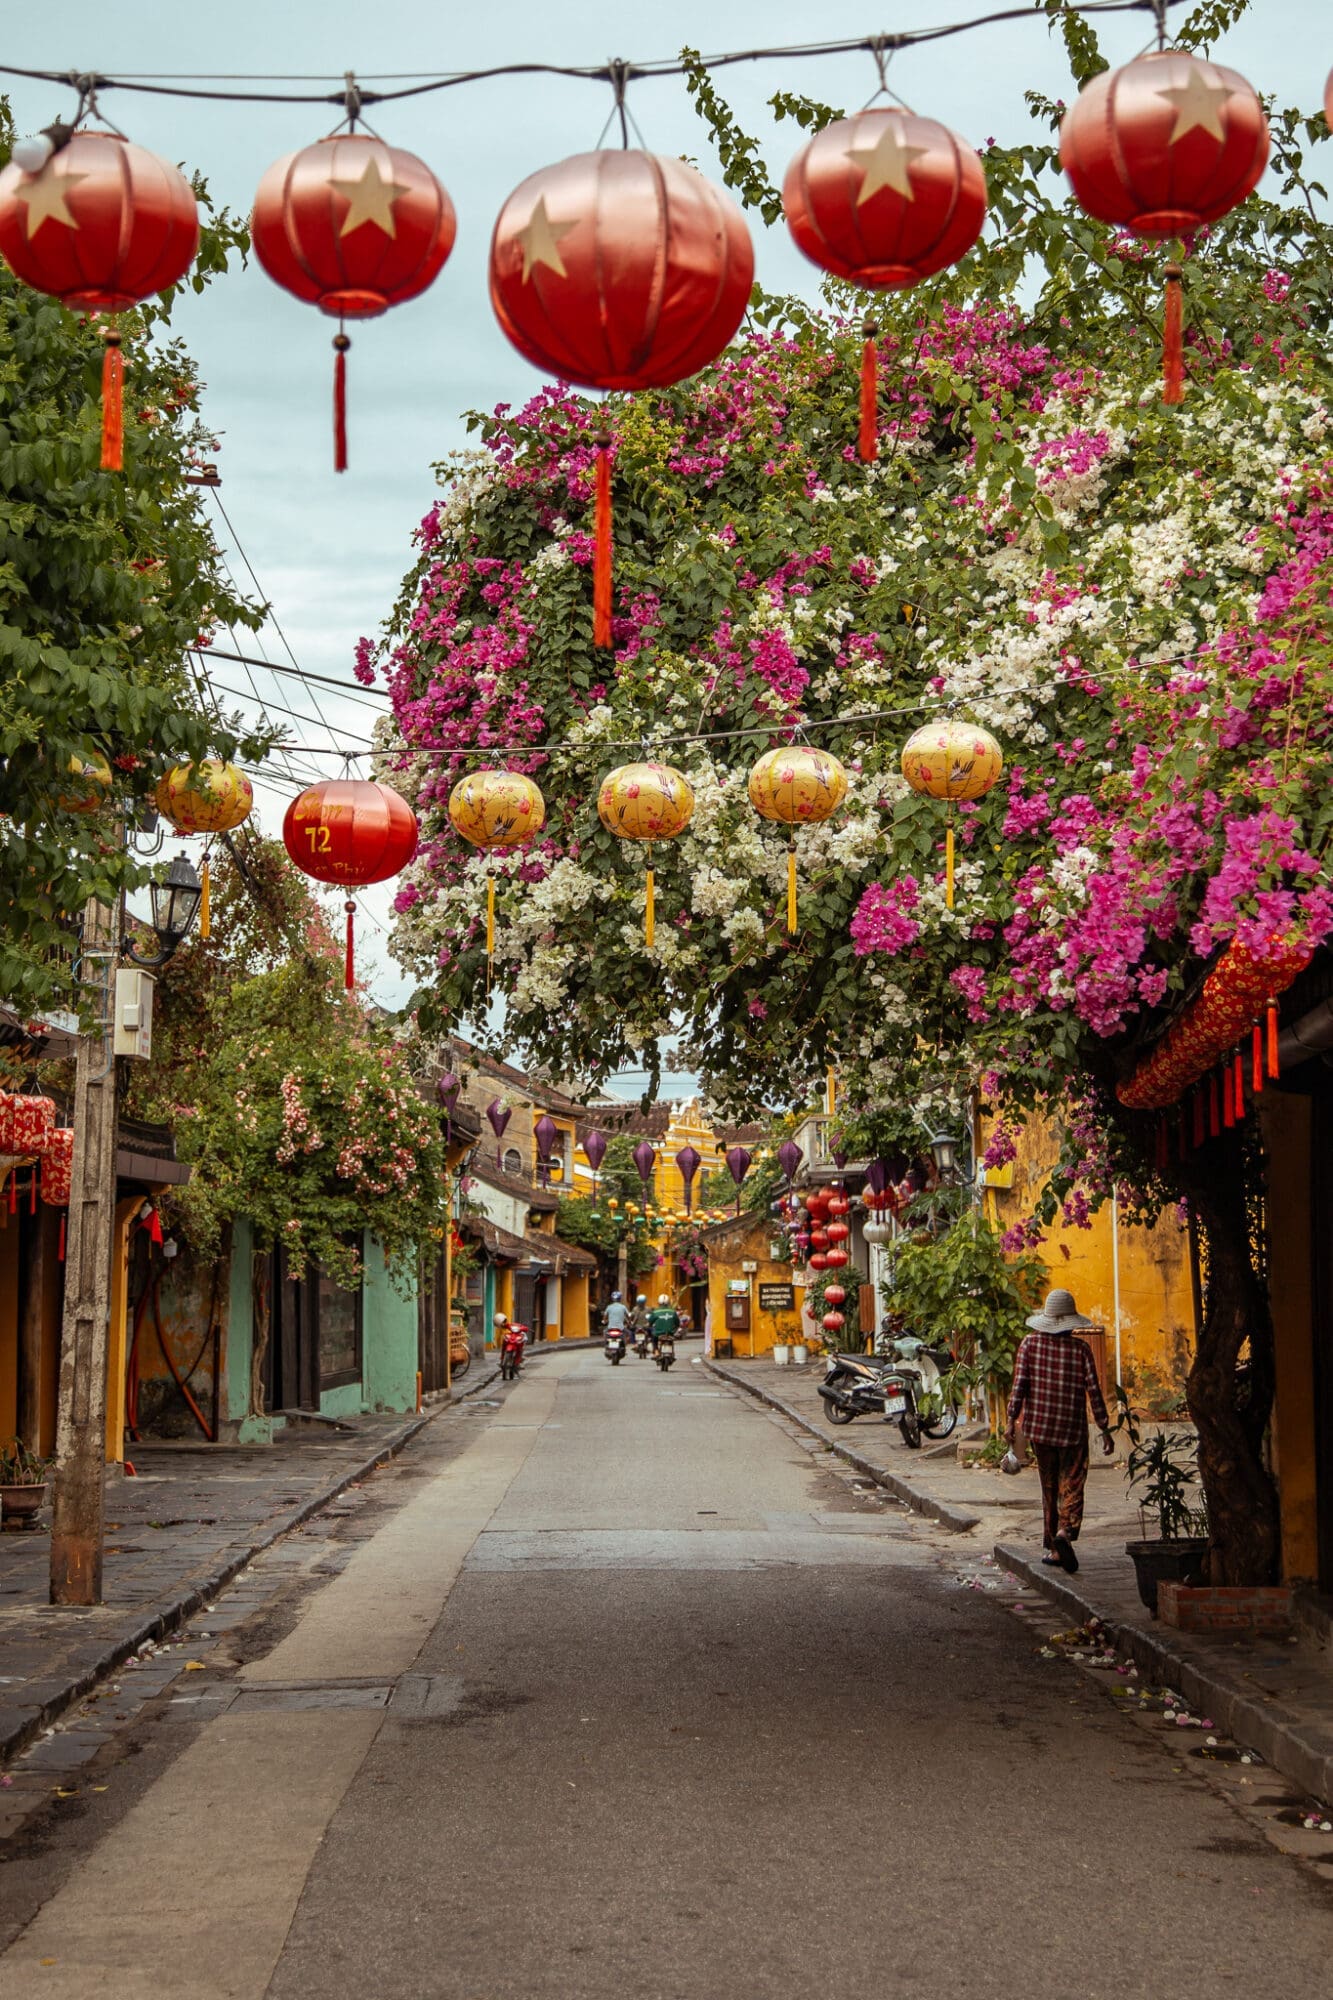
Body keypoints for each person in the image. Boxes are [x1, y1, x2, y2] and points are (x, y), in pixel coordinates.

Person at [1005, 1288, 1114, 1575]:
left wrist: (1010, 1420)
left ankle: (1053, 1548)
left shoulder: (1029, 1345)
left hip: (1040, 1431)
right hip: (1072, 1431)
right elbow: (1094, 1391)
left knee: (1049, 1486)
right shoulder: (1081, 1350)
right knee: (1073, 1483)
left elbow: (1019, 1388)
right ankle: (1065, 1532)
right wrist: (1104, 1428)